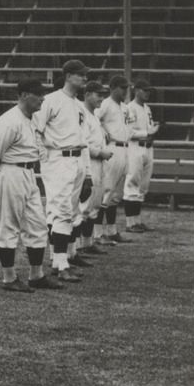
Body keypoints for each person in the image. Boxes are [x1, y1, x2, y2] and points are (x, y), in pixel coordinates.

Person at [0, 78, 61, 292]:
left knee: (37, 224)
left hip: (28, 173)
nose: (42, 99)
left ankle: (37, 275)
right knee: (8, 225)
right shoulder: (10, 120)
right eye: (38, 94)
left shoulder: (31, 119)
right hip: (9, 171)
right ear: (25, 95)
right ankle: (9, 277)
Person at [32, 59, 90, 282]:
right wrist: (44, 158)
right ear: (67, 76)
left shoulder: (78, 104)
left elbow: (81, 138)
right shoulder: (51, 100)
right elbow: (36, 129)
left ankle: (59, 260)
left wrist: (85, 171)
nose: (84, 78)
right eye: (80, 74)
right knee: (62, 210)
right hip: (58, 159)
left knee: (70, 211)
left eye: (85, 75)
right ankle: (61, 262)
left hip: (75, 158)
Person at [95, 74, 133, 244]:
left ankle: (111, 230)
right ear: (114, 88)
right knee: (106, 190)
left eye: (126, 88)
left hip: (125, 148)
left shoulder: (124, 107)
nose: (125, 91)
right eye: (122, 87)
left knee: (116, 194)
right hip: (112, 147)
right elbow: (94, 120)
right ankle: (97, 233)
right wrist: (105, 134)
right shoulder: (105, 104)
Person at [76, 80, 113, 255]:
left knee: (95, 204)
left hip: (99, 164)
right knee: (84, 206)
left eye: (103, 95)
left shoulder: (95, 117)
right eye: (98, 95)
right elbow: (82, 144)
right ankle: (75, 247)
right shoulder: (82, 114)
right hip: (88, 163)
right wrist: (100, 153)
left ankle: (87, 243)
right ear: (87, 94)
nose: (101, 99)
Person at [122, 78, 159, 232]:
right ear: (136, 90)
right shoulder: (130, 108)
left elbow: (149, 128)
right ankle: (130, 223)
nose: (147, 93)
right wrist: (147, 132)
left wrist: (153, 131)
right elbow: (129, 132)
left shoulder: (147, 108)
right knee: (133, 182)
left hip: (147, 147)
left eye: (149, 90)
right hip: (135, 147)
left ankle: (137, 220)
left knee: (143, 185)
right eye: (145, 90)